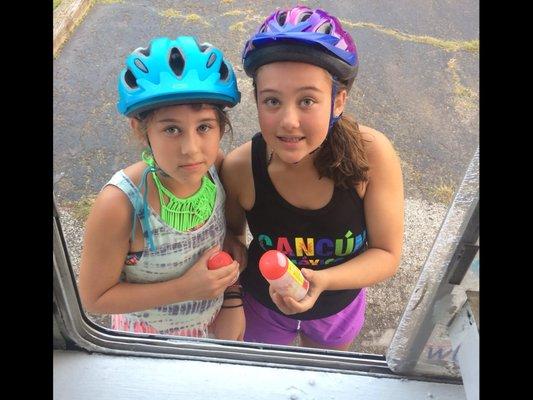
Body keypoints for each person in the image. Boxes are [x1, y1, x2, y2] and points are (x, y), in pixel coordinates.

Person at [221, 6, 404, 350]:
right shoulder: (240, 168)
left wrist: (323, 281)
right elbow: (232, 235)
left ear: (338, 102)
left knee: (323, 379)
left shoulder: (372, 155)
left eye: (307, 100)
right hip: (263, 306)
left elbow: (386, 252)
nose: (288, 120)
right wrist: (230, 276)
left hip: (338, 304)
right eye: (272, 100)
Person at [78, 35, 245, 340]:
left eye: (204, 126)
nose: (191, 149)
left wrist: (232, 298)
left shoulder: (216, 171)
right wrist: (184, 289)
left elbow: (229, 241)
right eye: (171, 129)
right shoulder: (121, 204)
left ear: (221, 126)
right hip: (147, 345)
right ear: (141, 130)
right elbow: (95, 297)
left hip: (214, 329)